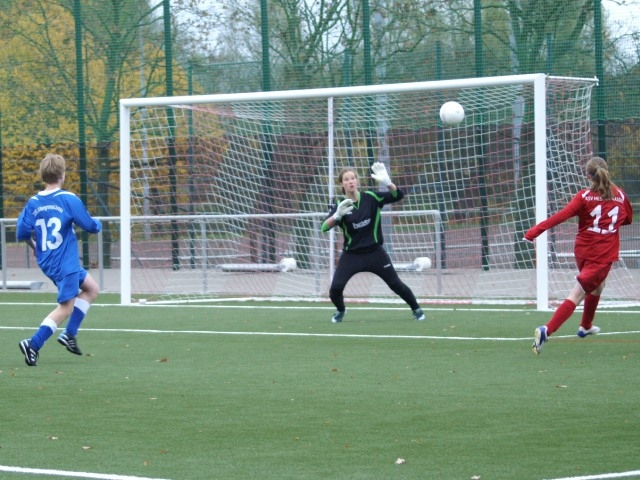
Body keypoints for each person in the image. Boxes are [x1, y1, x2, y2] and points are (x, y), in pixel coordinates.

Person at [525, 156, 633, 354]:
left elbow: (561, 216)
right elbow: (628, 219)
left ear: (588, 176)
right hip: (602, 256)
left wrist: (534, 232)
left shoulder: (583, 196)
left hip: (582, 251)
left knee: (599, 286)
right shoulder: (620, 195)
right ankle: (546, 330)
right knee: (576, 294)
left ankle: (585, 326)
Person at [16, 153, 102, 366]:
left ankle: (69, 334)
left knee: (91, 288)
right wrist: (98, 223)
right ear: (62, 174)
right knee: (66, 307)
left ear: (42, 175)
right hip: (66, 263)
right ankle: (33, 344)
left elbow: (22, 233)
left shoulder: (33, 202)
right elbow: (90, 226)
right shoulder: (68, 198)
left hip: (48, 261)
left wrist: (35, 247)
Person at [321, 162, 425, 323]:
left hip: (375, 253)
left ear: (357, 181)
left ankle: (416, 309)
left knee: (395, 284)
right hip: (352, 255)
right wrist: (336, 216)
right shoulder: (340, 206)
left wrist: (388, 183)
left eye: (353, 178)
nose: (350, 181)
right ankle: (341, 310)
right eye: (346, 179)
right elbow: (324, 227)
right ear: (341, 184)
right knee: (335, 289)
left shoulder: (371, 197)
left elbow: (398, 195)